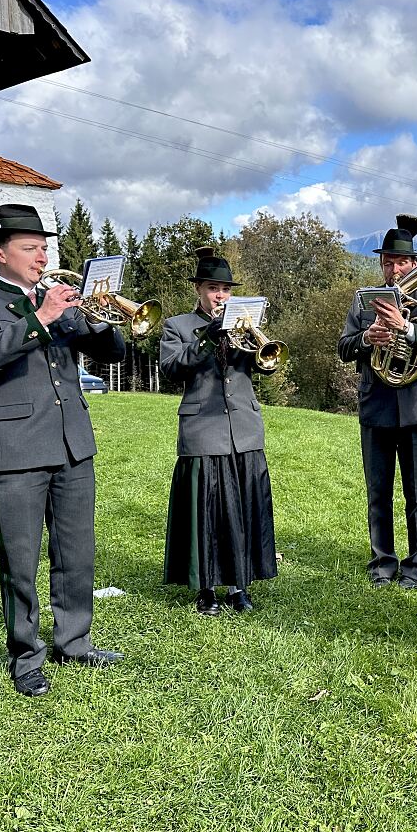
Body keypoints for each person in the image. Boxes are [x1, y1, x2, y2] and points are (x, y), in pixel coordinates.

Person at [0, 203, 126, 698]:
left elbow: (113, 354)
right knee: (21, 558)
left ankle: (74, 641)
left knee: (76, 553)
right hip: (14, 449)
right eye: (30, 248)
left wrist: (101, 314)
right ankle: (26, 655)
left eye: (44, 246)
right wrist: (42, 318)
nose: (41, 255)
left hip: (72, 443)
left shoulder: (58, 299)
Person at [160, 246, 278, 615]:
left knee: (243, 509)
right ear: (198, 288)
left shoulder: (245, 324)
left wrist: (260, 344)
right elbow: (172, 368)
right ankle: (206, 589)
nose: (220, 295)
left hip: (244, 430)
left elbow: (265, 365)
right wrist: (208, 337)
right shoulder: (177, 326)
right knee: (205, 514)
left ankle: (239, 585)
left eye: (226, 289)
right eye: (213, 288)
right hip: (203, 431)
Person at [338, 215, 417, 589]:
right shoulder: (363, 299)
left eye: (401, 262)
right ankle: (383, 563)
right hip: (377, 405)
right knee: (378, 491)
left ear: (413, 264)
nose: (394, 269)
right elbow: (344, 348)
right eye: (388, 262)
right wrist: (368, 338)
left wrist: (407, 328)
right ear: (381, 264)